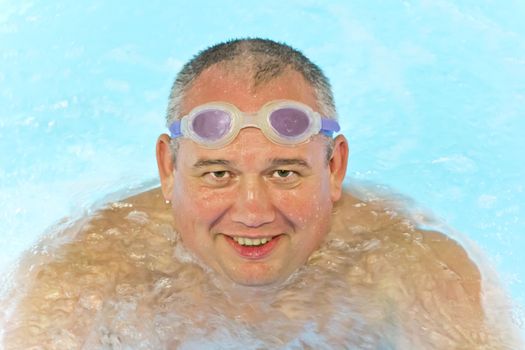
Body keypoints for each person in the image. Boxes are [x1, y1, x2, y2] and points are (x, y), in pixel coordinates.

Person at [0, 38, 519, 348]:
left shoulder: (415, 265)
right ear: (168, 168)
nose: (252, 212)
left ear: (334, 167)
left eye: (285, 174)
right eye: (218, 174)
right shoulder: (81, 273)